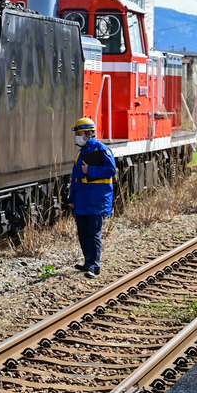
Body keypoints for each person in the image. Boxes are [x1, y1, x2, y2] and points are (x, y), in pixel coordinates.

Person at [69, 118, 116, 279]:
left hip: (97, 200)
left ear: (90, 133)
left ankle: (94, 266)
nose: (78, 137)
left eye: (80, 134)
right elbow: (75, 179)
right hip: (82, 200)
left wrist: (90, 170)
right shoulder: (81, 153)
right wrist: (72, 198)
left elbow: (111, 169)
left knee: (94, 233)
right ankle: (88, 262)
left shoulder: (102, 150)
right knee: (83, 233)